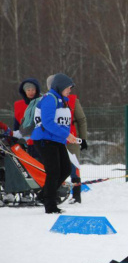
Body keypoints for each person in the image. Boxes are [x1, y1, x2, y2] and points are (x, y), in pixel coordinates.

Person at [31, 73, 79, 214]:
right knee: (54, 171)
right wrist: (67, 135)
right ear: (60, 86)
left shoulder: (61, 100)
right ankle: (50, 205)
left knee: (65, 169)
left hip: (56, 139)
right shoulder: (49, 99)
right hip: (45, 140)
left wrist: (67, 136)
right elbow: (47, 123)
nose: (70, 90)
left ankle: (44, 195)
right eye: (68, 87)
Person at [47, 75, 88, 204]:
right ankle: (56, 194)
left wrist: (83, 138)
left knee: (74, 166)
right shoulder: (49, 100)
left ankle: (76, 195)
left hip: (71, 138)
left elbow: (81, 120)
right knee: (56, 168)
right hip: (54, 139)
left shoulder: (73, 100)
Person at [13, 78, 42, 159]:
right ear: (24, 91)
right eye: (28, 90)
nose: (31, 92)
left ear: (36, 90)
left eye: (33, 90)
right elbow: (16, 124)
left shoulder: (42, 102)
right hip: (25, 143)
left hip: (40, 142)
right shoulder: (18, 105)